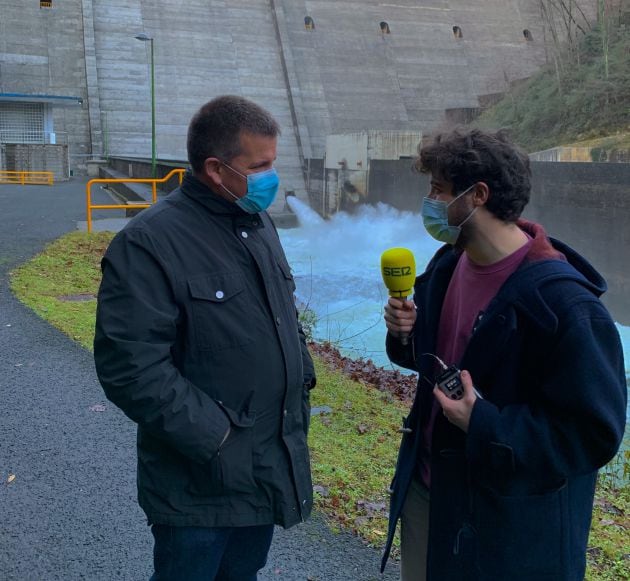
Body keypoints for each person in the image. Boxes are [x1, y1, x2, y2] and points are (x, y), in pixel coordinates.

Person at [380, 127, 627, 580]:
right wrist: (405, 336)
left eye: (438, 189)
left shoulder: (566, 308)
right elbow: (435, 364)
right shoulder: (447, 265)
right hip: (429, 494)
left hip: (505, 532)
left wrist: (484, 422)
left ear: (477, 195)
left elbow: (593, 434)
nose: (429, 202)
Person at [94, 95, 316, 580]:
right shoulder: (149, 242)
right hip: (198, 482)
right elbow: (130, 367)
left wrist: (301, 378)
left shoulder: (254, 223)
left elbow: (281, 317)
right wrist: (219, 439)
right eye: (260, 166)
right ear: (216, 169)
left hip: (263, 466)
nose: (270, 178)